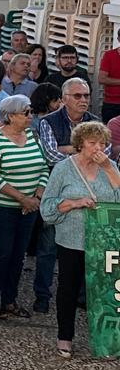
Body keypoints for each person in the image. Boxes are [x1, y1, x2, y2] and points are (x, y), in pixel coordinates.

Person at [39, 121, 120, 358]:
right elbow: (48, 206)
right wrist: (75, 203)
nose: (99, 148)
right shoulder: (63, 169)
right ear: (80, 144)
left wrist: (108, 167)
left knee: (106, 289)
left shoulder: (110, 166)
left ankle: (108, 338)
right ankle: (65, 336)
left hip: (105, 240)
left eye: (103, 143)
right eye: (93, 142)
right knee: (69, 288)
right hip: (72, 239)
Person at [32, 77, 104, 314]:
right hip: (59, 192)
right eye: (77, 96)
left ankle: (81, 297)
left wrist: (70, 149)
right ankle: (42, 296)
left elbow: (102, 156)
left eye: (86, 96)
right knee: (48, 248)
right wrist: (84, 153)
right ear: (63, 99)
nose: (83, 100)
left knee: (85, 249)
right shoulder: (48, 122)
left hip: (89, 194)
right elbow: (51, 155)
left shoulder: (95, 122)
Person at [0, 95, 48, 319]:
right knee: (2, 252)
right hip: (3, 207)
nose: (31, 116)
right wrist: (22, 198)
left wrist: (37, 196)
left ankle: (10, 299)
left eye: (30, 112)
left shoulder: (31, 135)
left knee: (19, 255)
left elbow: (43, 168)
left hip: (29, 208)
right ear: (10, 116)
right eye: (26, 112)